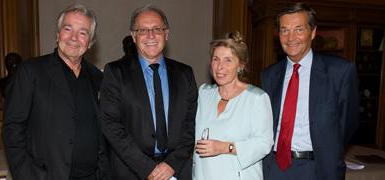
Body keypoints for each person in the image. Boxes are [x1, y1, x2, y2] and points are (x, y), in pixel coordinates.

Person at [2, 4, 109, 180]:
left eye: (82, 32)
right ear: (58, 35)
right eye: (68, 29)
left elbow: (104, 132)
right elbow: (13, 128)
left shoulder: (98, 78)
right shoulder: (30, 72)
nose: (74, 38)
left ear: (89, 42)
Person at [261, 2, 359, 180]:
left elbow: (348, 124)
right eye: (284, 30)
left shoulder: (339, 72)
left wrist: (327, 150)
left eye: (298, 29)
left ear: (313, 32)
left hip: (317, 169)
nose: (291, 37)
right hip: (273, 168)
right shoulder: (269, 75)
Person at [100, 4, 198, 180]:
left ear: (166, 34)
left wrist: (171, 165)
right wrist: (147, 168)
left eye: (157, 29)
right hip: (131, 171)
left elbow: (191, 124)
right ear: (133, 36)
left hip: (177, 171)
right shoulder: (115, 72)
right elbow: (110, 125)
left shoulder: (185, 74)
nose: (151, 35)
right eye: (143, 30)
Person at [192, 32, 274, 180]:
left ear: (240, 65)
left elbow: (264, 143)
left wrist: (224, 147)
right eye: (215, 59)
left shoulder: (257, 98)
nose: (220, 67)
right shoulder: (204, 94)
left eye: (228, 60)